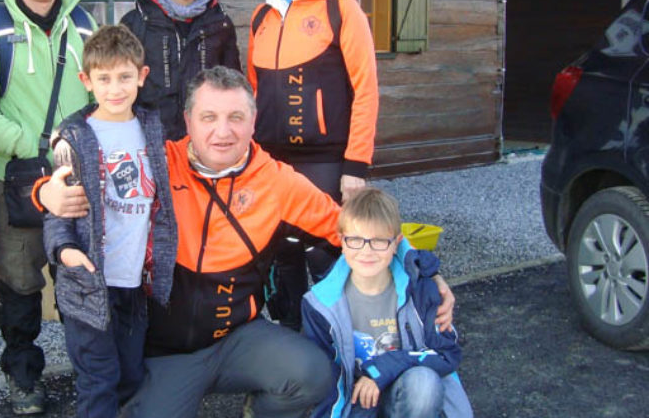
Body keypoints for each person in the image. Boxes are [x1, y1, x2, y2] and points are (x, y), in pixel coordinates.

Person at [38, 66, 456, 418]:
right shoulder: (157, 162)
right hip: (167, 353)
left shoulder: (276, 180)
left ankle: (260, 409)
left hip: (240, 338)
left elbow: (352, 227)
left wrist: (424, 272)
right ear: (188, 120)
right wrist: (46, 193)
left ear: (253, 122)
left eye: (236, 117)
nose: (223, 132)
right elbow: (74, 181)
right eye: (209, 117)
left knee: (313, 374)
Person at [0, 0, 97, 413]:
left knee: (81, 276)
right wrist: (31, 143)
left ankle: (92, 375)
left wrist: (81, 143)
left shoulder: (85, 27)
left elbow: (103, 94)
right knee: (19, 281)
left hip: (79, 175)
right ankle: (23, 376)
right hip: (19, 177)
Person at [247, 0, 381, 331]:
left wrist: (355, 165)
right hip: (271, 160)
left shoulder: (341, 9)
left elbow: (366, 89)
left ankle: (340, 336)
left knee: (325, 251)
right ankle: (291, 335)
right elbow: (253, 91)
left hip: (324, 158)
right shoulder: (261, 17)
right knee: (280, 252)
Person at [42, 25, 177, 418]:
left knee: (131, 375)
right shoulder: (72, 136)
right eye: (104, 79)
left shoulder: (153, 128)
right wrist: (65, 251)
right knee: (98, 380)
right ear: (86, 80)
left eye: (124, 77)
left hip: (135, 281)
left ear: (142, 76)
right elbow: (58, 205)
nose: (115, 89)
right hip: (89, 282)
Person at [301, 188, 473, 417]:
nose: (367, 251)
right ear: (341, 240)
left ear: (396, 243)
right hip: (358, 403)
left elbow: (446, 354)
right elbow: (327, 380)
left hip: (409, 395)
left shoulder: (420, 290)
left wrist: (380, 370)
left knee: (423, 384)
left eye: (379, 241)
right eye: (355, 240)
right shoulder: (320, 305)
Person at [120, 0, 240, 141]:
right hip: (150, 144)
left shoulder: (220, 25)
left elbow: (234, 90)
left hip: (205, 142)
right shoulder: (134, 24)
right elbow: (121, 89)